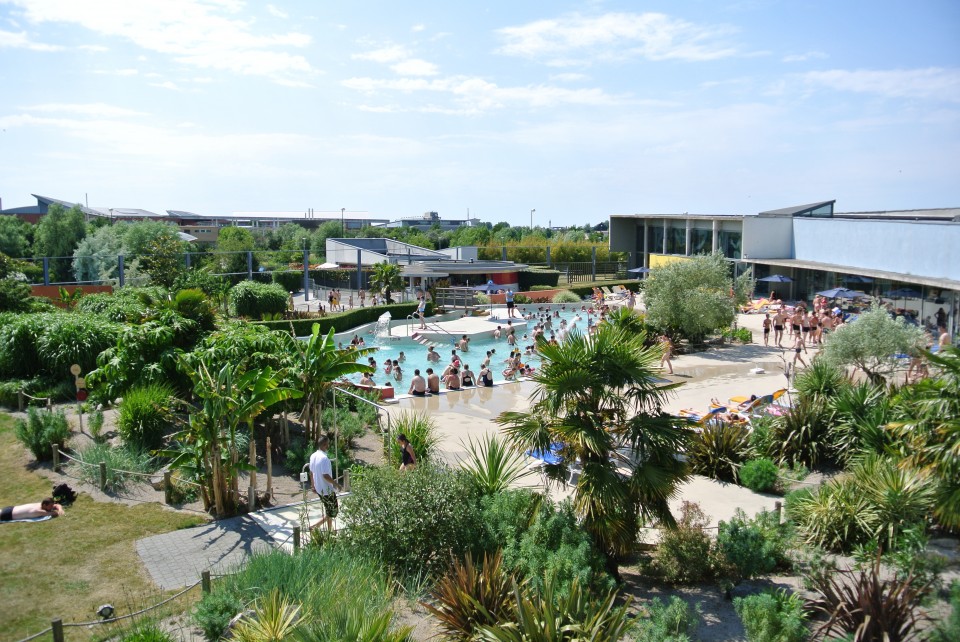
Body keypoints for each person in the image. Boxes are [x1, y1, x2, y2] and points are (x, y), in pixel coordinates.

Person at [309, 435, 342, 531]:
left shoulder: (313, 456)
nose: (329, 446)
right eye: (328, 444)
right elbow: (326, 476)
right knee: (333, 512)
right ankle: (315, 526)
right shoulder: (324, 459)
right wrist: (336, 485)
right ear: (324, 445)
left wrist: (312, 485)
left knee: (328, 510)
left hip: (319, 488)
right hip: (327, 490)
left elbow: (311, 472)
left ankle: (329, 530)